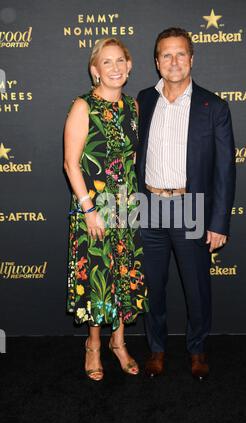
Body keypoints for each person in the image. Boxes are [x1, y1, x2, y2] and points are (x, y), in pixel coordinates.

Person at [136, 28, 236, 380]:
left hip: (190, 205)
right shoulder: (144, 99)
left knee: (196, 286)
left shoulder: (214, 106)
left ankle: (197, 350)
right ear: (156, 62)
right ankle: (157, 350)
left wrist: (219, 222)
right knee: (152, 286)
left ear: (192, 58)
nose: (174, 61)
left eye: (181, 54)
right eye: (166, 55)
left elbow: (224, 169)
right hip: (147, 202)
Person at [64, 38, 148, 381]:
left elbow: (131, 158)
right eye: (106, 62)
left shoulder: (133, 107)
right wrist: (88, 210)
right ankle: (94, 345)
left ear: (129, 67)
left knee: (124, 274)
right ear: (94, 70)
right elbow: (71, 164)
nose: (114, 68)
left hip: (125, 207)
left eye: (120, 61)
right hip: (93, 208)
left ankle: (119, 343)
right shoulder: (83, 107)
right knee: (98, 277)